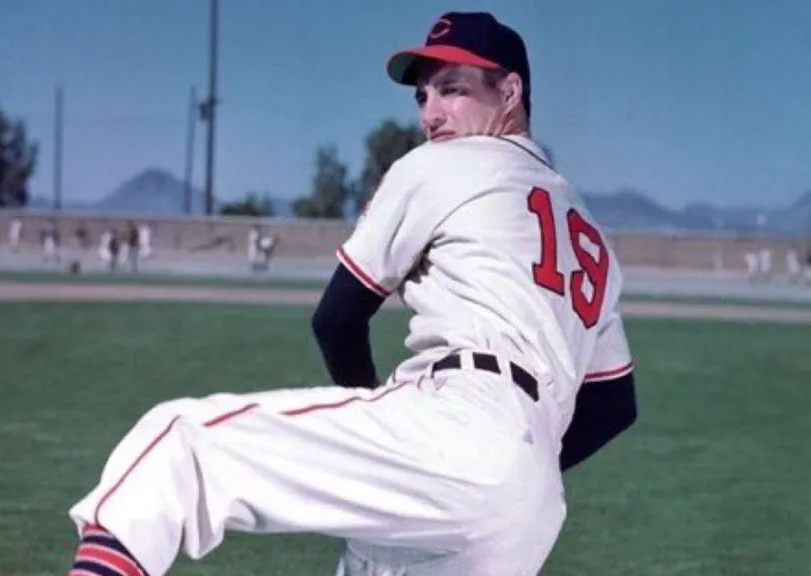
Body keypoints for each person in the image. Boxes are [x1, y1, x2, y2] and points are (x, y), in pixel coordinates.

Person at [64, 11, 638, 576]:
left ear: (509, 91)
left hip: (457, 423)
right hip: (530, 504)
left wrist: (390, 428)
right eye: (422, 97)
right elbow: (614, 405)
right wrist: (519, 470)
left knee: (180, 445)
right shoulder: (589, 233)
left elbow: (337, 318)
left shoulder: (446, 165)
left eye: (452, 89)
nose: (431, 114)